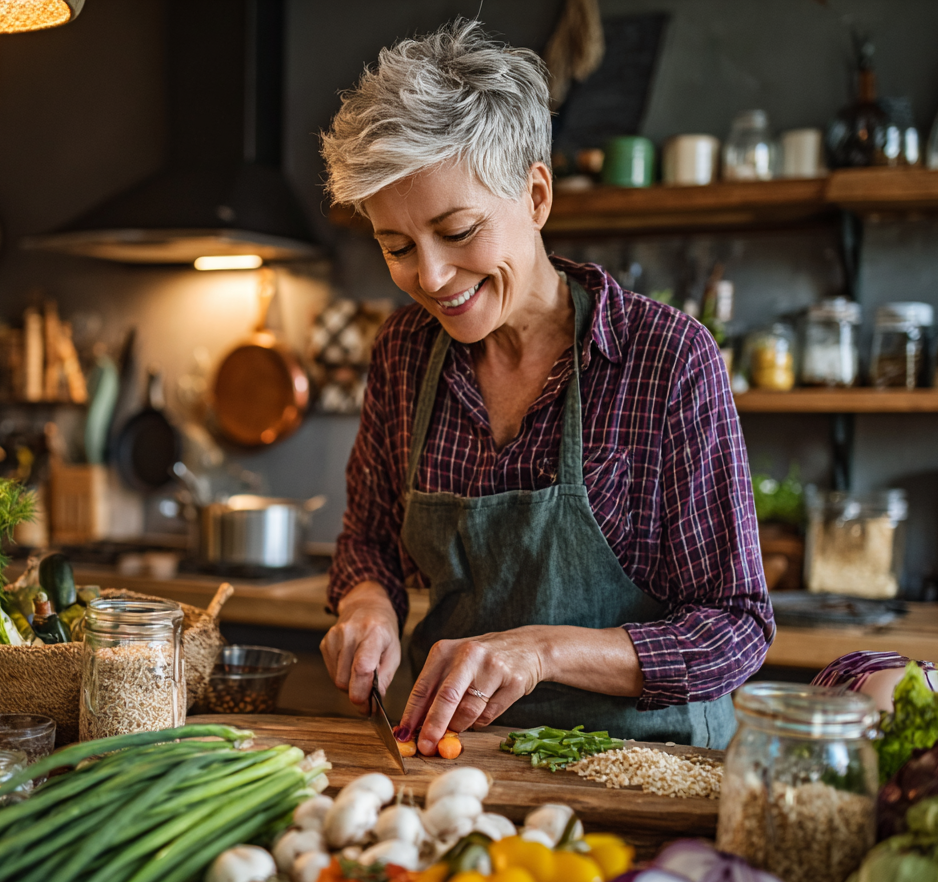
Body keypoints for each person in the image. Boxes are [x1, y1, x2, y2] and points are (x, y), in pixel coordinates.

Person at [318, 19, 773, 756]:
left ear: (534, 197)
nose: (430, 278)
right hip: (456, 765)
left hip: (646, 768)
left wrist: (541, 651)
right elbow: (368, 541)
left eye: (459, 231)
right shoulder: (404, 353)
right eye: (397, 247)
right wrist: (367, 606)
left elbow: (736, 629)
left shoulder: (665, 359)